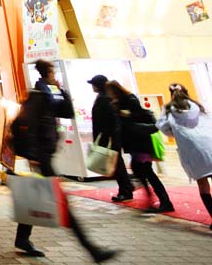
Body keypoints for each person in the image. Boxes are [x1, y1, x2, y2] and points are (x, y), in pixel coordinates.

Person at [11, 60, 115, 261]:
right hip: (42, 159)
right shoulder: (38, 97)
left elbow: (67, 112)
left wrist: (62, 90)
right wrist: (34, 156)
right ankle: (92, 249)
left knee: (35, 198)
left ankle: (22, 239)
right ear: (47, 73)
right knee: (61, 203)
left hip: (45, 156)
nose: (54, 76)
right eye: (52, 72)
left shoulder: (48, 96)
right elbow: (21, 126)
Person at [107, 79, 174, 212]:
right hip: (134, 142)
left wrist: (124, 114)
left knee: (146, 171)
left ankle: (164, 201)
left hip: (139, 141)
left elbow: (137, 118)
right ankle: (153, 198)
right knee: (140, 170)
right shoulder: (119, 102)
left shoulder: (129, 100)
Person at [157, 84, 212, 227]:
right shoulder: (197, 106)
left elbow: (164, 128)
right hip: (209, 144)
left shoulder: (168, 110)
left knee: (203, 183)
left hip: (192, 150)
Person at [87, 74, 134, 201]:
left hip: (110, 137)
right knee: (116, 163)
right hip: (111, 136)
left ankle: (126, 190)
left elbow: (107, 121)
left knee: (116, 164)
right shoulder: (105, 97)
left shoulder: (103, 99)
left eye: (93, 84)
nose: (92, 86)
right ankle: (126, 188)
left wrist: (104, 137)